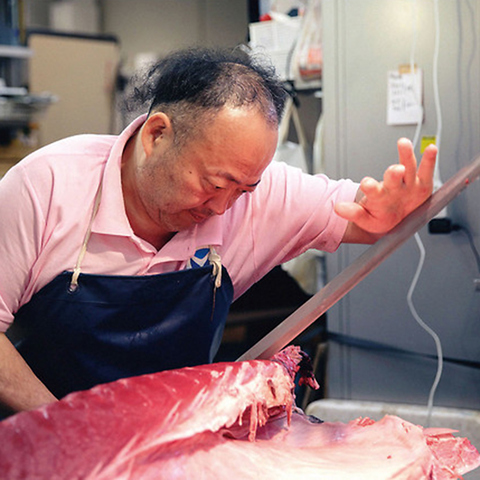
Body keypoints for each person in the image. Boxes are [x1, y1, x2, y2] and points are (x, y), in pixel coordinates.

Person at [0, 47, 437, 415]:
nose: (223, 206)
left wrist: (390, 210)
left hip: (171, 441)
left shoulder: (254, 194)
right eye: (213, 184)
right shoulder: (47, 185)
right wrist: (59, 425)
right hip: (43, 437)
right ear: (157, 135)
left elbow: (361, 212)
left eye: (244, 189)